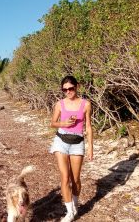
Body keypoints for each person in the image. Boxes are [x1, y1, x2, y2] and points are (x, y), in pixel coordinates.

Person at [49, 75, 93, 222]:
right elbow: (53, 123)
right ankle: (69, 212)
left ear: (77, 87)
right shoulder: (59, 104)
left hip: (77, 143)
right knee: (65, 177)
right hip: (61, 141)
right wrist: (64, 123)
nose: (68, 91)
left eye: (71, 88)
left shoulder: (86, 104)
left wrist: (91, 147)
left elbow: (88, 126)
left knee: (76, 180)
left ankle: (75, 205)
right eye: (65, 89)